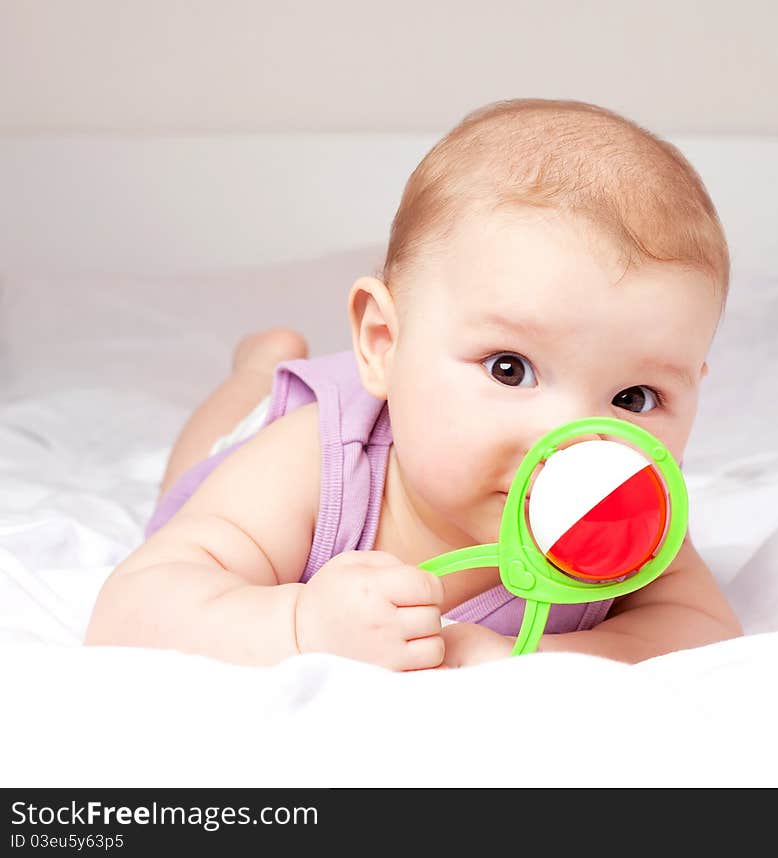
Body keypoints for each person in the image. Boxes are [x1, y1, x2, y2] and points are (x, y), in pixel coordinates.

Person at [85, 98, 743, 668]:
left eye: (634, 399)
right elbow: (132, 608)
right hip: (271, 435)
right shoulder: (312, 462)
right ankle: (261, 365)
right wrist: (301, 628)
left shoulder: (624, 503)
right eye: (508, 368)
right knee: (201, 455)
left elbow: (702, 631)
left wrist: (528, 658)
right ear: (383, 343)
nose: (572, 441)